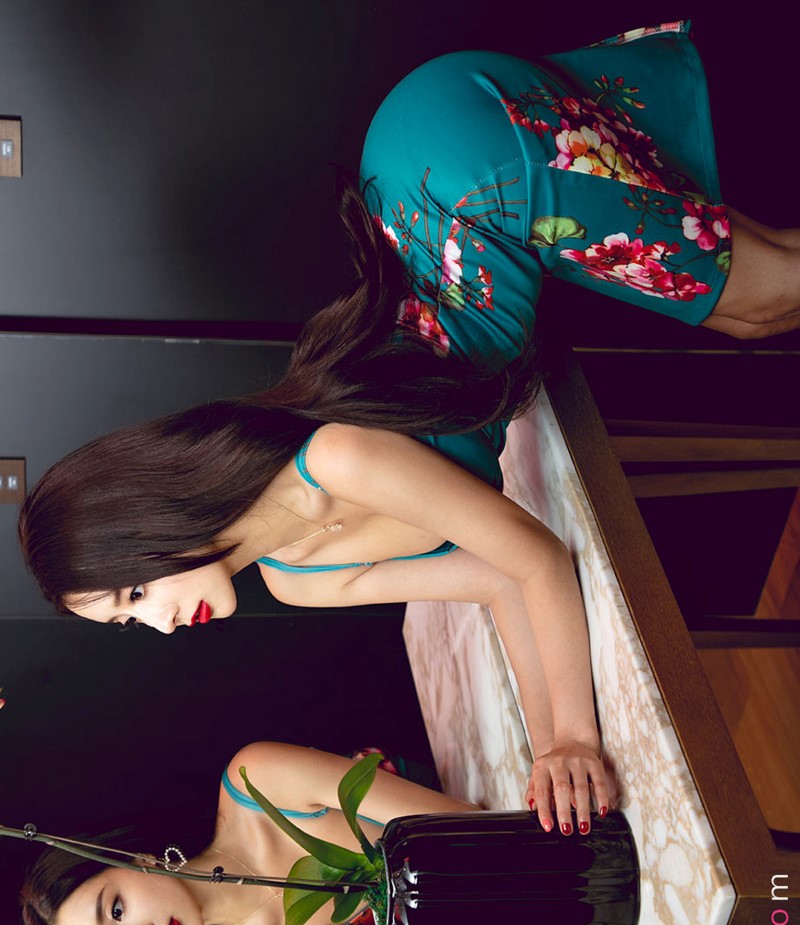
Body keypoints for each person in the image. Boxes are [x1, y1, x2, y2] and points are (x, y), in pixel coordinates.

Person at [19, 25, 799, 834]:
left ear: (149, 519)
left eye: (136, 592)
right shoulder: (295, 580)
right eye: (128, 621)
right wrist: (550, 752)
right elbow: (496, 582)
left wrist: (574, 736)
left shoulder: (335, 457)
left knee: (764, 296)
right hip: (430, 171)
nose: (157, 623)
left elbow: (534, 555)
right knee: (756, 280)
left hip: (456, 174)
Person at [19, 741, 560, 925]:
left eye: (115, 910)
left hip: (499, 828)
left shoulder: (255, 781)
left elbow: (461, 825)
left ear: (136, 859)